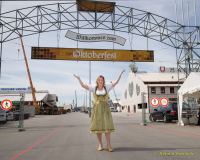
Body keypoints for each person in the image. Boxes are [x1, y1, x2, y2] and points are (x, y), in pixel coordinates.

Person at [74, 70, 125, 152]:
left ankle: (109, 145)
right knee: (98, 128)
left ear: (103, 81)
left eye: (102, 80)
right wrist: (79, 79)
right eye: (99, 80)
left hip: (105, 109)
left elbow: (116, 82)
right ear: (97, 81)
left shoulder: (107, 87)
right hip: (97, 110)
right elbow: (83, 86)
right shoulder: (93, 87)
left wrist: (120, 74)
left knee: (107, 128)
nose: (100, 81)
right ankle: (100, 145)